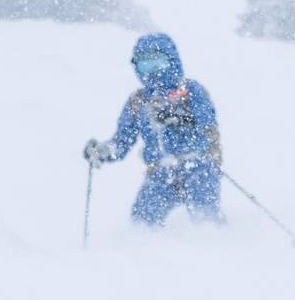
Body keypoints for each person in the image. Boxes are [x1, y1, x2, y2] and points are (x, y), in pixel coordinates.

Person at [83, 33, 223, 225]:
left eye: (158, 63)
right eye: (145, 64)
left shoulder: (190, 90)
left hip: (198, 166)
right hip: (161, 173)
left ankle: (219, 244)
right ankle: (146, 252)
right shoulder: (138, 101)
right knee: (142, 221)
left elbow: (206, 121)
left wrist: (178, 117)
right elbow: (122, 142)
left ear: (172, 61)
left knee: (205, 218)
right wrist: (103, 152)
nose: (153, 71)